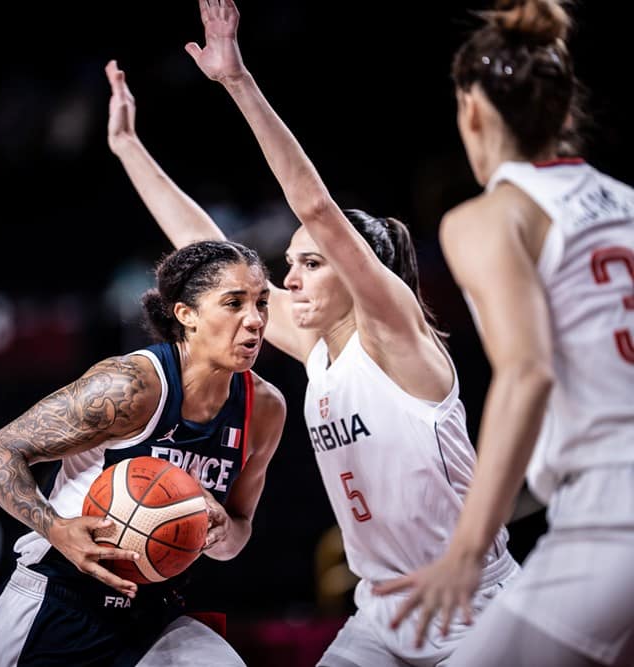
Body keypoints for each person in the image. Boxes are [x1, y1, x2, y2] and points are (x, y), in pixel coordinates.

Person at [103, 0, 520, 664]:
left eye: (311, 262)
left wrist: (238, 81)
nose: (288, 280)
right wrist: (128, 149)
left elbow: (315, 205)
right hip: (382, 612)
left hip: (478, 609)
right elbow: (206, 253)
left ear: (361, 274)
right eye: (289, 264)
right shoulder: (320, 349)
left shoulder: (399, 339)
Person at [374, 2, 634, 665]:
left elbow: (527, 372)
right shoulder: (626, 202)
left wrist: (465, 550)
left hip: (611, 510)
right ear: (565, 111)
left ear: (473, 112)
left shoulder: (489, 217)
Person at [0, 239, 286, 666]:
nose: (254, 320)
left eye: (262, 303)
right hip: (63, 599)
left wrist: (222, 532)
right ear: (186, 314)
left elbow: (238, 534)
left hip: (155, 614)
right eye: (234, 303)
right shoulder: (130, 386)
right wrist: (56, 528)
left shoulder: (265, 409)